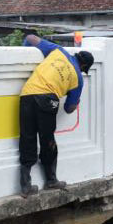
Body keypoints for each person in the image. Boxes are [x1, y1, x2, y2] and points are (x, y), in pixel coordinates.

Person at [18, 33, 94, 197]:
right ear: (83, 65)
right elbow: (69, 108)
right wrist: (75, 99)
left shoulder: (58, 51)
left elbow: (31, 38)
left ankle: (25, 186)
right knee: (48, 140)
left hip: (26, 95)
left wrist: (22, 53)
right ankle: (51, 180)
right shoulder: (78, 79)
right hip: (47, 100)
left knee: (27, 137)